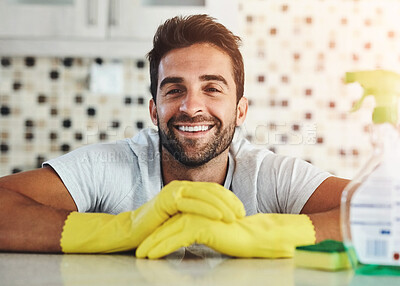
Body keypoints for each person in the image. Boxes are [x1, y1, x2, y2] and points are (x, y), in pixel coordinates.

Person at [0, 15, 349, 258]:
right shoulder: (112, 165)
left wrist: (261, 233)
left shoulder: (268, 175)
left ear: (241, 110)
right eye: (174, 90)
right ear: (154, 110)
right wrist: (123, 229)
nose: (191, 106)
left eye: (212, 88)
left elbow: (385, 216)